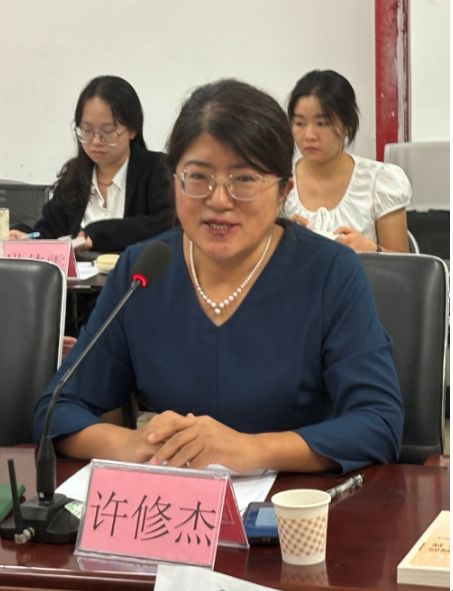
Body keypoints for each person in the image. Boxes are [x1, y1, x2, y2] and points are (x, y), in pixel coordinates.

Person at [34, 79, 404, 475]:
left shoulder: (329, 271)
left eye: (244, 179)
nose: (219, 200)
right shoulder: (144, 269)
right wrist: (131, 443)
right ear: (174, 180)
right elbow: (57, 410)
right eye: (198, 177)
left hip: (297, 501)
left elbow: (378, 422)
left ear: (283, 191)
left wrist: (253, 449)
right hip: (178, 501)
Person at [9, 75, 173, 253]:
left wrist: (99, 235)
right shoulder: (74, 176)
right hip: (80, 273)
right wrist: (26, 236)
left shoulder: (157, 170)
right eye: (87, 130)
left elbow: (168, 224)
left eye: (107, 131)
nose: (96, 141)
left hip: (132, 271)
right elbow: (51, 231)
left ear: (132, 130)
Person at [285, 69, 411, 252]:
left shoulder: (379, 181)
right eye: (299, 124)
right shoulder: (277, 179)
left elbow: (404, 264)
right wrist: (278, 237)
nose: (309, 135)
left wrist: (373, 249)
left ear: (348, 125)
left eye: (322, 124)